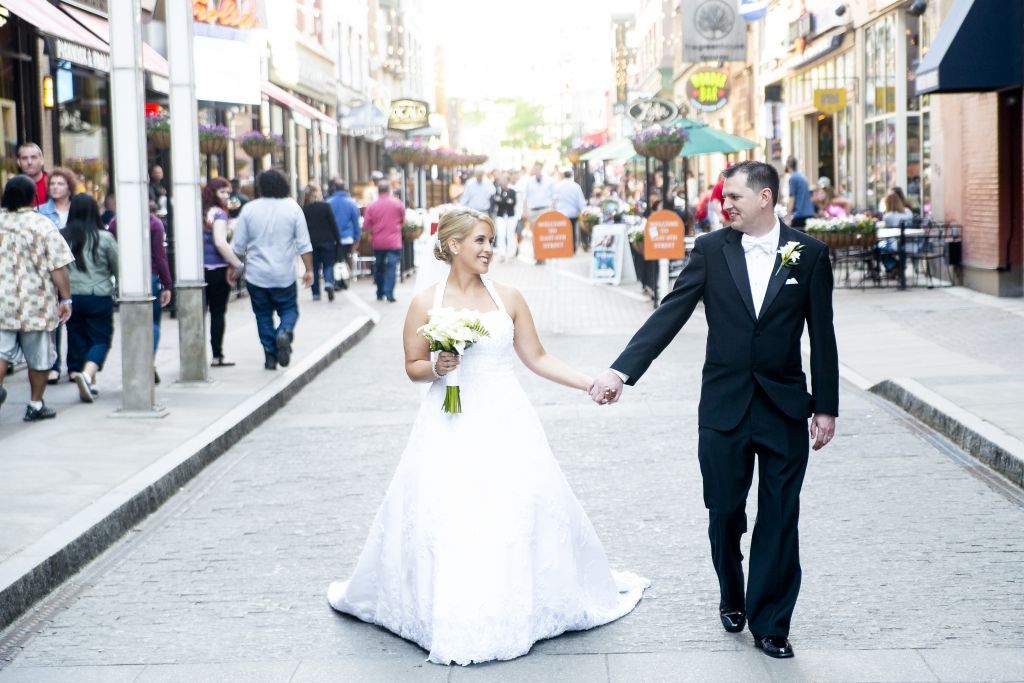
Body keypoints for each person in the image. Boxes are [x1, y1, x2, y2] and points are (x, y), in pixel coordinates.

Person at [326, 207, 648, 665]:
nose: (489, 250)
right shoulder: (425, 303)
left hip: (506, 420)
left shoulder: (509, 297)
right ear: (454, 245)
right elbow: (413, 366)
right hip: (447, 423)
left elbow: (537, 357)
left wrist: (590, 383)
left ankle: (515, 602)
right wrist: (437, 366)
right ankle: (448, 607)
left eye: (491, 241)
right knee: (451, 511)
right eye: (480, 241)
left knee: (513, 506)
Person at [589, 160, 839, 660]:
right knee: (725, 511)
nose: (724, 205)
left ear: (764, 198)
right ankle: (732, 590)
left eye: (734, 198)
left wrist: (826, 406)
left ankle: (771, 623)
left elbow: (823, 335)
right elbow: (670, 314)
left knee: (780, 515)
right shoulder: (709, 251)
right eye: (725, 198)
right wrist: (620, 371)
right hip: (724, 407)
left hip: (785, 406)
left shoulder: (807, 254)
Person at [0, 175, 74, 421]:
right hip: (37, 303)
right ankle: (35, 404)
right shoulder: (42, 225)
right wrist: (66, 298)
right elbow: (58, 266)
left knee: (1, 354)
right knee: (40, 357)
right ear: (34, 197)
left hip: (2, 302)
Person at [230, 170, 313, 371]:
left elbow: (237, 246)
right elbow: (304, 244)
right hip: (284, 273)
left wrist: (234, 267)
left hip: (257, 275)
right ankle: (284, 332)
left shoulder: (249, 209)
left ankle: (269, 355)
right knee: (289, 309)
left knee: (263, 315)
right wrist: (309, 270)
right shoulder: (293, 208)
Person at [61, 194, 118, 402]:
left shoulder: (62, 236)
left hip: (71, 296)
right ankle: (86, 375)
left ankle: (90, 384)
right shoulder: (104, 237)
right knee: (101, 339)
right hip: (98, 295)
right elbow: (117, 266)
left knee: (79, 338)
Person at [108, 203, 174, 383]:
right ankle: (148, 362)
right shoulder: (154, 224)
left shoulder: (116, 222)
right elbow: (160, 256)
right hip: (150, 277)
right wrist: (167, 284)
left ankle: (135, 365)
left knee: (131, 323)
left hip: (127, 279)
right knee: (153, 323)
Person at [37, 167, 78, 383]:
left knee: (75, 320)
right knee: (54, 319)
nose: (55, 187)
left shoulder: (77, 209)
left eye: (60, 184)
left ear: (69, 187)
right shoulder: (41, 211)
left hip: (76, 269)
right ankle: (53, 365)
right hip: (51, 270)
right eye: (52, 184)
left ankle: (74, 365)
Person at [201, 178, 243, 366]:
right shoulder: (219, 214)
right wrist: (237, 263)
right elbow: (220, 242)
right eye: (222, 192)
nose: (227, 196)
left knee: (198, 313)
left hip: (198, 270)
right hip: (217, 270)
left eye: (228, 192)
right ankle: (217, 355)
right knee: (217, 313)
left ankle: (196, 355)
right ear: (213, 193)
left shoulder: (200, 212)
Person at [363, 182, 404, 303]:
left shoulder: (372, 206)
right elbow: (403, 220)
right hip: (394, 241)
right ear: (389, 190)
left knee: (379, 267)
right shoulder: (398, 204)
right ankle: (389, 293)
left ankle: (380, 292)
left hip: (378, 241)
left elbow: (366, 224)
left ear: (378, 191)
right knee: (391, 267)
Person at [301, 184, 340, 302]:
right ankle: (328, 282)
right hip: (327, 241)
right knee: (328, 264)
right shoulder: (326, 207)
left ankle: (316, 294)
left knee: (314, 268)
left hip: (311, 243)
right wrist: (338, 240)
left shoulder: (304, 210)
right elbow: (333, 224)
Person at [326, 179, 361, 290]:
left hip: (332, 237)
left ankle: (337, 280)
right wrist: (357, 237)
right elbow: (355, 222)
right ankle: (343, 279)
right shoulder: (351, 203)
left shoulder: (328, 202)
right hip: (347, 237)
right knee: (345, 258)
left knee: (334, 259)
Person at [554, 169, 587, 252]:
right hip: (573, 213)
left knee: (562, 231)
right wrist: (583, 211)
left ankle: (564, 248)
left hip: (561, 213)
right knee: (572, 231)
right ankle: (573, 248)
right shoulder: (576, 186)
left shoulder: (558, 186)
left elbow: (554, 200)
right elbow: (580, 200)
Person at [785, 157, 816, 230]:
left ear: (788, 165)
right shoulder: (803, 177)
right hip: (809, 213)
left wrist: (788, 215)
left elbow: (792, 198)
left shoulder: (793, 178)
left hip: (799, 215)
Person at [492, 173, 517, 260]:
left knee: (510, 234)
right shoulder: (498, 191)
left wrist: (502, 200)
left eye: (504, 181)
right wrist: (506, 201)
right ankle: (502, 253)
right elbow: (497, 201)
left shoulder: (512, 191)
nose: (502, 182)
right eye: (501, 181)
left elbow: (512, 203)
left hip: (510, 216)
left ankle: (511, 252)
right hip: (501, 215)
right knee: (501, 234)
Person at [15, 142, 47, 207]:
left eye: (33, 157)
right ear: (18, 162)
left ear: (42, 160)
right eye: (24, 158)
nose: (29, 162)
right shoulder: (13, 187)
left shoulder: (53, 183)